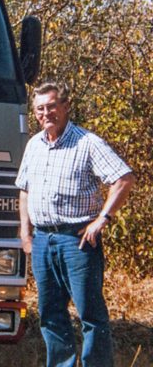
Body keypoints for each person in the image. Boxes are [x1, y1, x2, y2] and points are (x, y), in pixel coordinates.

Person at [16, 81, 135, 367]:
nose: (46, 113)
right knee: (50, 314)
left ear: (66, 106)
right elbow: (24, 189)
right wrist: (25, 232)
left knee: (90, 314)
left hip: (78, 241)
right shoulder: (34, 144)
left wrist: (102, 220)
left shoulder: (87, 143)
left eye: (52, 106)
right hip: (44, 240)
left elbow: (124, 178)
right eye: (40, 108)